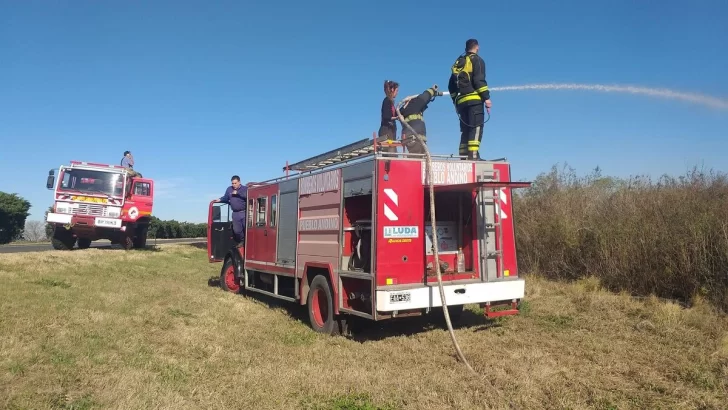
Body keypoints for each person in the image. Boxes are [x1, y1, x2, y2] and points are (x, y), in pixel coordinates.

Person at [448, 38, 492, 160]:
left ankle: (463, 157)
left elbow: (451, 86)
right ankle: (473, 156)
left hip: (461, 103)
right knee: (476, 128)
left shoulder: (459, 63)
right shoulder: (477, 60)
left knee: (465, 130)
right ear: (477, 47)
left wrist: (455, 101)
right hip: (475, 102)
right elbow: (479, 81)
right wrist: (487, 98)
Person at [398, 84, 444, 155]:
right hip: (416, 140)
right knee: (419, 161)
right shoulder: (414, 105)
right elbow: (424, 97)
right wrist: (432, 89)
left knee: (416, 160)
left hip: (412, 141)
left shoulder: (404, 111)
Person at [214, 175, 247, 248]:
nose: (234, 185)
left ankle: (247, 242)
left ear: (239, 182)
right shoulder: (229, 189)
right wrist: (220, 199)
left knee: (246, 229)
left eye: (235, 183)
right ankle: (242, 240)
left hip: (244, 212)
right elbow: (226, 197)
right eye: (232, 183)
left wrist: (238, 194)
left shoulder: (245, 189)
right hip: (235, 213)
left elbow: (248, 196)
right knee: (237, 231)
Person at [378, 80, 399, 153]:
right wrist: (396, 118)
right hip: (386, 131)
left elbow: (397, 114)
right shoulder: (386, 101)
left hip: (390, 132)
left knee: (392, 152)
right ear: (392, 90)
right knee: (390, 154)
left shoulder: (391, 103)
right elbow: (386, 116)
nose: (397, 92)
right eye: (397, 90)